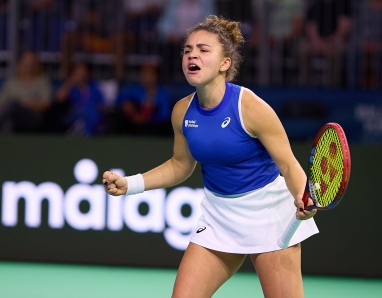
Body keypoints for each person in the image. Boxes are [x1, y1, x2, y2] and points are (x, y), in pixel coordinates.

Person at [103, 15, 318, 297]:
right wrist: (131, 184)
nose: (193, 54)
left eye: (204, 50)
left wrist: (303, 196)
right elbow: (180, 165)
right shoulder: (182, 111)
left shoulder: (251, 108)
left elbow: (288, 165)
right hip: (219, 218)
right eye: (188, 50)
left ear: (224, 63)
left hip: (269, 215)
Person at [0, 51, 52, 133]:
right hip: (12, 117)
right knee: (9, 122)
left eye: (32, 63)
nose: (29, 66)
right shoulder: (12, 82)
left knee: (13, 105)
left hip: (34, 118)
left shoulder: (42, 81)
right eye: (26, 63)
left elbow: (46, 104)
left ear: (37, 64)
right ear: (20, 64)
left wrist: (24, 104)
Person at [112, 62, 172, 136]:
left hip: (155, 127)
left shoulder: (163, 93)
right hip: (135, 124)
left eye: (149, 74)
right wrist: (130, 109)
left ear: (156, 76)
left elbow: (164, 115)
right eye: (143, 74)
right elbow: (119, 99)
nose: (146, 77)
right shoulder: (135, 90)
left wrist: (147, 116)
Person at [53, 61, 105, 136]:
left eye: (83, 71)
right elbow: (59, 98)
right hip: (73, 116)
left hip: (91, 119)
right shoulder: (71, 87)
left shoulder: (94, 87)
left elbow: (101, 104)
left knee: (90, 109)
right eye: (78, 72)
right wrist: (70, 81)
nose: (81, 74)